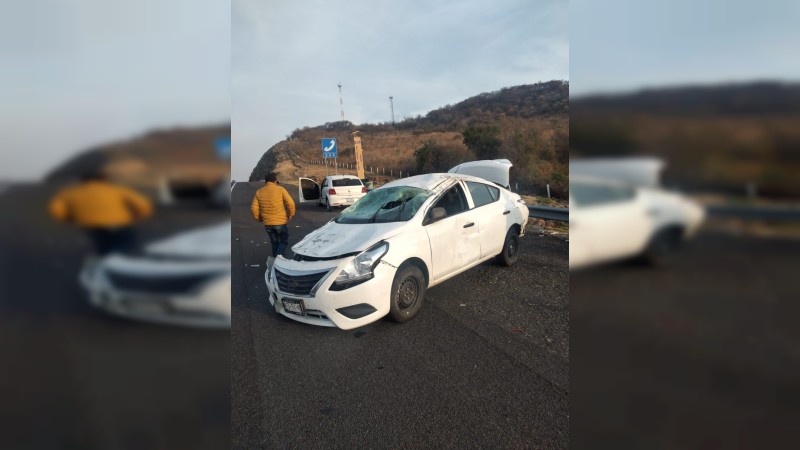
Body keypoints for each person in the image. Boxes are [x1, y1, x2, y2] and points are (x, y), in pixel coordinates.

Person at [48, 170, 153, 256]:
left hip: (91, 224)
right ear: (104, 179)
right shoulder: (116, 189)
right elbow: (143, 203)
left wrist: (68, 218)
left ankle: (106, 261)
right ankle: (123, 266)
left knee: (103, 245)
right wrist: (138, 215)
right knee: (126, 245)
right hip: (119, 222)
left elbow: (56, 209)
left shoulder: (70, 192)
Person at [251, 172, 296, 258]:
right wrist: (291, 214)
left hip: (268, 223)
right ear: (275, 181)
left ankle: (275, 258)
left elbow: (254, 209)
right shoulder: (280, 189)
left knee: (274, 242)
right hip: (280, 222)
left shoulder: (259, 192)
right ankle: (278, 256)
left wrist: (259, 218)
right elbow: (291, 203)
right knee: (283, 241)